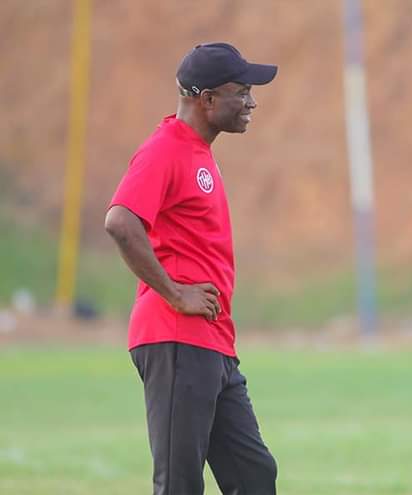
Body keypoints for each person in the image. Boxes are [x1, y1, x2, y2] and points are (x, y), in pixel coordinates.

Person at [105, 42, 278, 495]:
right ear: (207, 99)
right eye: (242, 91)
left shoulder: (197, 152)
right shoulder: (165, 149)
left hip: (212, 341)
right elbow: (121, 222)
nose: (251, 102)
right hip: (176, 337)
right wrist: (175, 293)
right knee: (179, 483)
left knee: (255, 476)